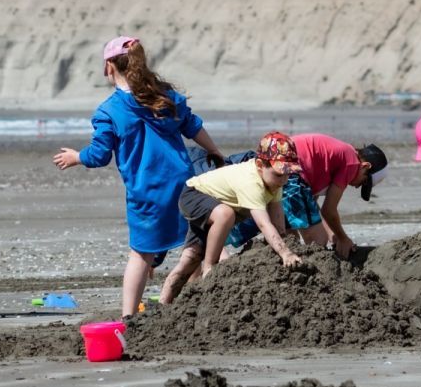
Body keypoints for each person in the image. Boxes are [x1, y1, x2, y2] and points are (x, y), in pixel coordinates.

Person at [53, 36, 225, 318]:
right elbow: (192, 126)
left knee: (141, 255)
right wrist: (215, 151)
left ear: (109, 66)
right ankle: (202, 304)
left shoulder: (109, 110)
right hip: (183, 183)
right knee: (197, 241)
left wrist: (76, 157)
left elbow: (99, 155)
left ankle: (129, 317)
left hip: (146, 192)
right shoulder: (164, 95)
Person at [161, 132, 303, 301]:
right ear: (260, 165)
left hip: (215, 209)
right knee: (226, 214)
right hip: (194, 195)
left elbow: (277, 217)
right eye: (279, 174)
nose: (283, 180)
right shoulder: (252, 182)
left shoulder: (274, 182)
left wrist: (284, 241)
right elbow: (264, 224)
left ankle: (164, 304)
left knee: (191, 258)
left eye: (288, 174)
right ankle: (209, 268)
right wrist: (284, 253)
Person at [219, 135, 388, 259]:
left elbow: (313, 209)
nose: (358, 186)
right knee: (317, 241)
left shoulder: (337, 156)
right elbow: (329, 210)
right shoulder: (351, 162)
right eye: (364, 181)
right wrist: (343, 238)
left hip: (276, 170)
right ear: (365, 165)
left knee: (289, 237)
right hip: (290, 175)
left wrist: (334, 237)